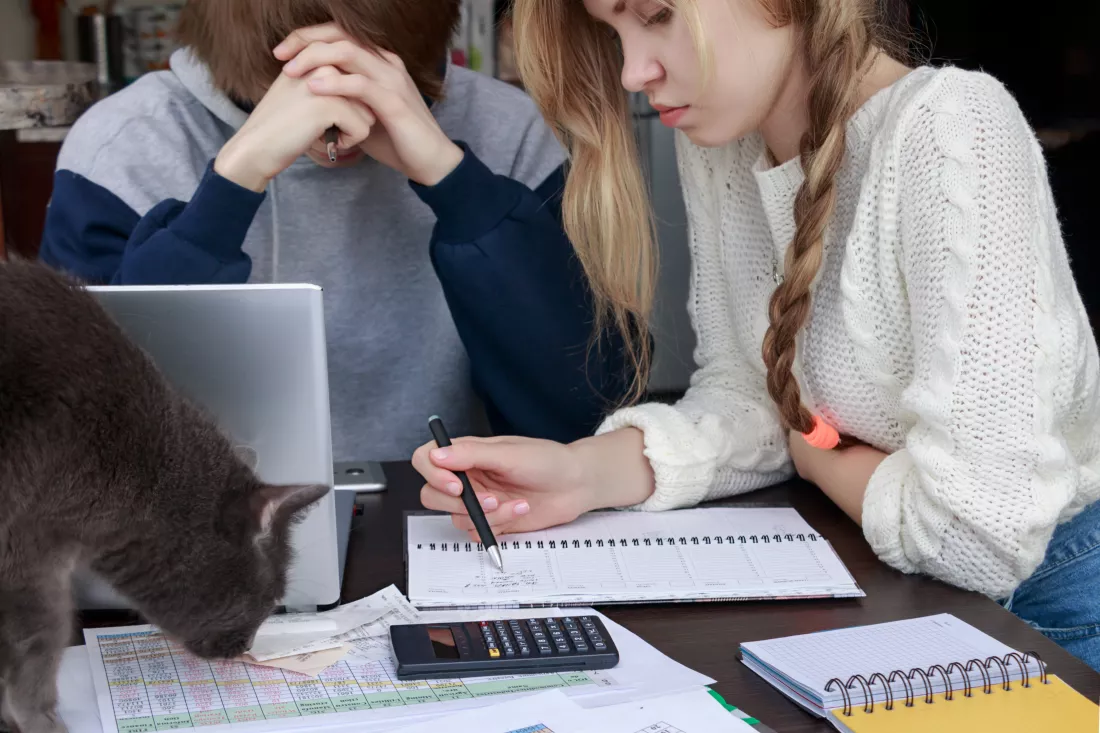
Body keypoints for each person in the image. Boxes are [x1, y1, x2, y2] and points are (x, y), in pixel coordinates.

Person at [415, 0, 1100, 669]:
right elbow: (749, 392)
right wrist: (580, 475)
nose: (632, 73)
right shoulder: (724, 146)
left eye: (656, 17)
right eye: (612, 30)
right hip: (908, 585)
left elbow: (979, 532)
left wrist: (817, 458)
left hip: (1055, 603)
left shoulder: (954, 130)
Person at [38, 0, 631, 462]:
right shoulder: (125, 146)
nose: (338, 119)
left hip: (455, 515)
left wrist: (455, 181)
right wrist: (233, 181)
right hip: (202, 529)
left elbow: (587, 413)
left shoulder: (512, 133)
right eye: (300, 79)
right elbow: (82, 431)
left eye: (368, 75)